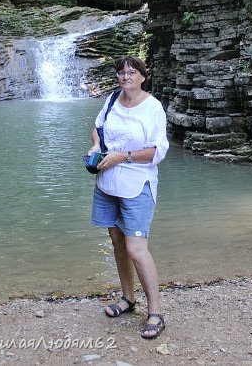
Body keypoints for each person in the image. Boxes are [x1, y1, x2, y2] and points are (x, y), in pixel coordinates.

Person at [87, 55, 169, 339]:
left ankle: (156, 312)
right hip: (107, 183)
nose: (125, 77)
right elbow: (97, 129)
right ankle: (128, 299)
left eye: (131, 72)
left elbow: (156, 152)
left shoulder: (153, 108)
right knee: (117, 242)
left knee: (136, 248)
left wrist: (123, 156)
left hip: (138, 184)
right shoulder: (111, 100)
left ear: (142, 76)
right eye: (121, 73)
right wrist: (95, 147)